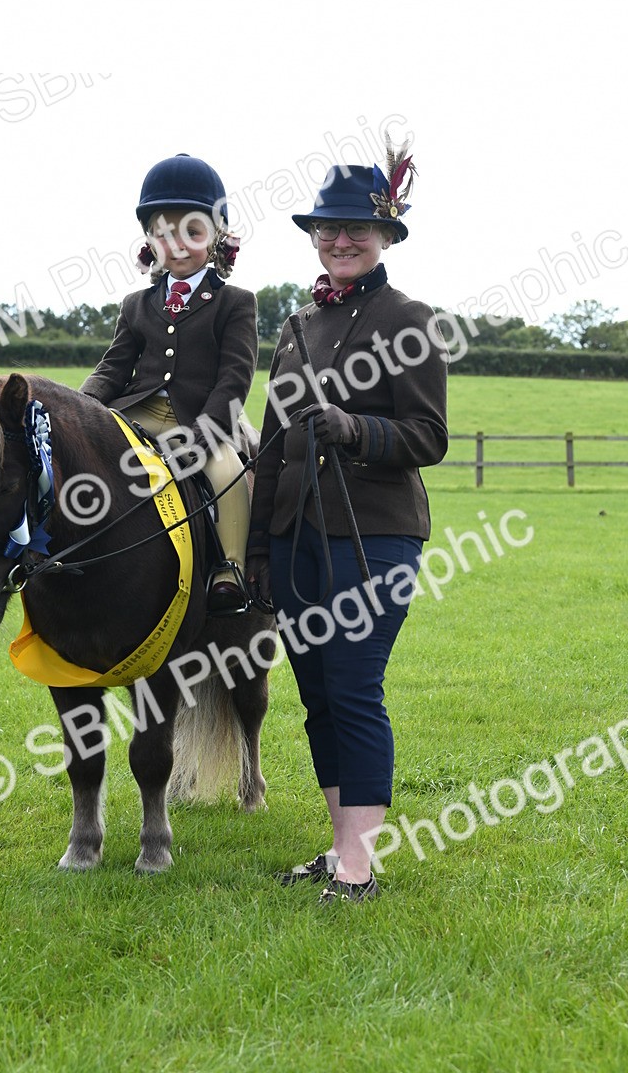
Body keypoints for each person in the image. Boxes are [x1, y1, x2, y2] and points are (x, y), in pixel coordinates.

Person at [246, 143, 448, 904]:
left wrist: (355, 428)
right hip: (297, 538)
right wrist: (259, 548)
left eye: (357, 229)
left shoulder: (409, 320)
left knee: (356, 687)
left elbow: (429, 436)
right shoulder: (296, 325)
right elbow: (269, 447)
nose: (340, 239)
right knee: (319, 694)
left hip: (376, 537)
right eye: (328, 228)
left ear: (387, 235)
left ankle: (360, 867)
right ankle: (338, 850)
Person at [81, 153, 258, 613]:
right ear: (149, 240)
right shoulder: (135, 304)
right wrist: (78, 407)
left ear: (216, 237)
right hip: (136, 412)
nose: (177, 245)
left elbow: (234, 381)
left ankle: (230, 569)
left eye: (192, 233)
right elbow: (114, 368)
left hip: (204, 417)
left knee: (227, 474)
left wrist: (202, 435)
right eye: (163, 233)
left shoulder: (236, 303)